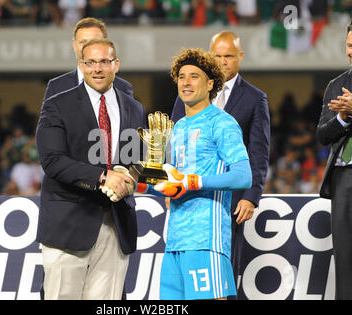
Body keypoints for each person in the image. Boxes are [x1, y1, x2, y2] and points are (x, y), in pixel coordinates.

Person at [35, 38, 146, 300]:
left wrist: (130, 177)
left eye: (104, 62)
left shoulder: (134, 107)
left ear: (115, 65)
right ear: (81, 65)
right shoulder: (57, 104)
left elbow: (137, 158)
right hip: (69, 225)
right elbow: (52, 160)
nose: (97, 68)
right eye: (91, 62)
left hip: (116, 224)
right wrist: (103, 176)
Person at [138, 48, 252, 300]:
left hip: (206, 239)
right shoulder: (178, 126)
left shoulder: (221, 122)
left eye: (194, 76)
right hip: (175, 241)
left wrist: (194, 182)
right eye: (181, 76)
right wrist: (135, 180)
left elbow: (244, 176)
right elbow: (169, 182)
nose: (186, 82)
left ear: (211, 83)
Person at [170, 31, 270, 292]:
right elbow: (175, 149)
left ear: (240, 57)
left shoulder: (253, 98)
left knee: (224, 275)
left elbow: (258, 151)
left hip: (227, 202)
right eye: (218, 56)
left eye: (228, 56)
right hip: (183, 212)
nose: (223, 61)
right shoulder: (186, 100)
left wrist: (251, 195)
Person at [316, 22, 352, 300]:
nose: (351, 52)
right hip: (342, 179)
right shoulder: (336, 85)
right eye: (349, 46)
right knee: (345, 255)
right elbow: (322, 135)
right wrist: (342, 117)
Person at [43, 17, 133, 100]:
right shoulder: (56, 87)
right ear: (74, 45)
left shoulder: (122, 87)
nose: (88, 47)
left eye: (94, 41)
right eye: (83, 42)